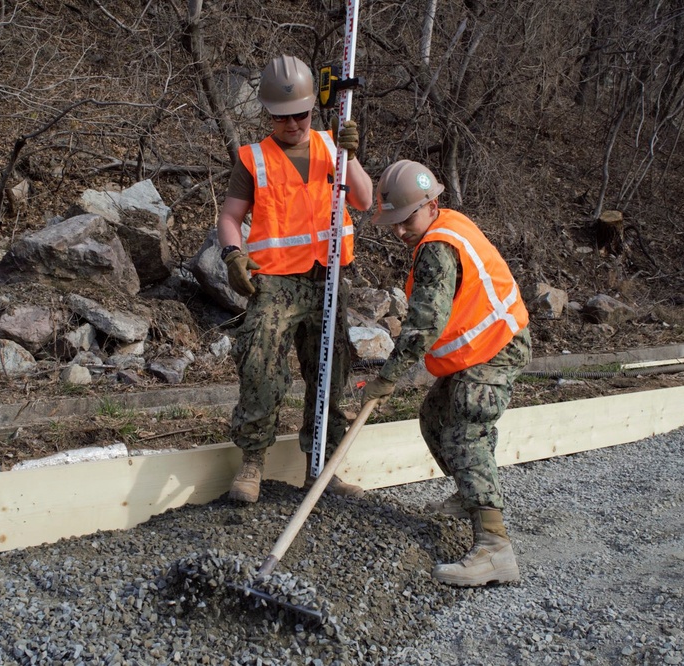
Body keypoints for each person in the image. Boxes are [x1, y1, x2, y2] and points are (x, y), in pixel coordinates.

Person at [361, 160, 531, 587]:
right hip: (479, 349)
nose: (399, 231)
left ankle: (494, 548)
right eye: (393, 223)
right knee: (434, 417)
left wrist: (387, 378)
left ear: (432, 204)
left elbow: (425, 323)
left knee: (464, 431)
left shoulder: (438, 246)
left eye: (406, 220)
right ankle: (471, 492)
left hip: (495, 348)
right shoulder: (445, 226)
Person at [217, 54, 374, 503]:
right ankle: (252, 465)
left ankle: (321, 469)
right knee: (260, 365)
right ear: (269, 113)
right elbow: (230, 217)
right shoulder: (255, 159)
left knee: (331, 373)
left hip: (327, 281)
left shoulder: (332, 146)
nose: (293, 124)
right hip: (275, 284)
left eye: (301, 114)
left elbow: (363, 201)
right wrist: (232, 254)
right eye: (282, 116)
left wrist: (352, 156)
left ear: (313, 107)